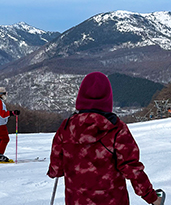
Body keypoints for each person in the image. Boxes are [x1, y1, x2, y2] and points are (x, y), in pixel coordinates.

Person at [47, 72, 162, 205]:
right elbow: (132, 169)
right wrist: (152, 197)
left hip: (76, 200)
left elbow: (56, 169)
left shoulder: (67, 127)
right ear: (108, 98)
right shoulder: (116, 128)